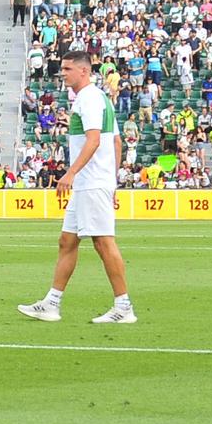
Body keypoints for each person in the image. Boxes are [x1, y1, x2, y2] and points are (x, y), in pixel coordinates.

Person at [17, 52, 135, 324]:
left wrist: (71, 173)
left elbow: (93, 140)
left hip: (91, 181)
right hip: (92, 181)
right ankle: (52, 303)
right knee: (67, 241)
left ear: (84, 71)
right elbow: (115, 142)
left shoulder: (89, 99)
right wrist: (112, 180)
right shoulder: (99, 98)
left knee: (103, 242)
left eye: (68, 69)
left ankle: (124, 306)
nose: (63, 73)